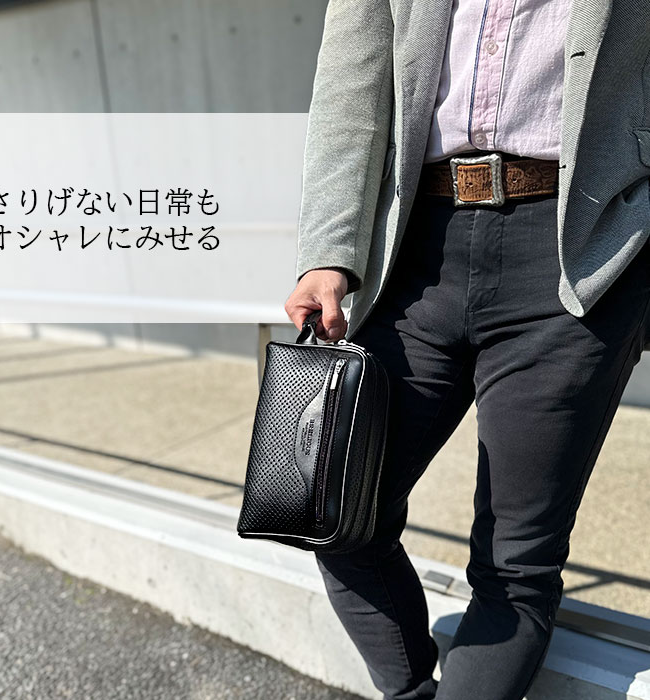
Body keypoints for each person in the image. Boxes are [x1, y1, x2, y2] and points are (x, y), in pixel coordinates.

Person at [284, 1, 650, 699]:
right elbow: (350, 85)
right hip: (413, 255)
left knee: (515, 567)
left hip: (580, 251)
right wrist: (329, 252)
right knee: (329, 509)